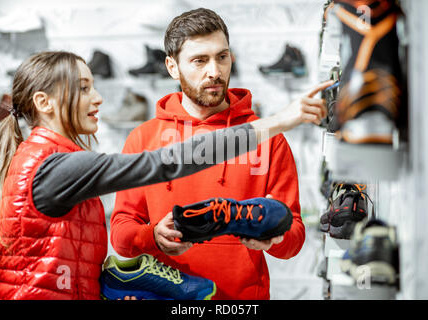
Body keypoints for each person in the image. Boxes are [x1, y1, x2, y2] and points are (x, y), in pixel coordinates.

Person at [0, 50, 330, 300]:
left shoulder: (53, 160)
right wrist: (277, 121)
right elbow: (166, 162)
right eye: (82, 88)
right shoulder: (54, 167)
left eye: (93, 85)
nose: (97, 98)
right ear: (44, 102)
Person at [110, 8, 332, 299]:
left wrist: (271, 239)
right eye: (199, 60)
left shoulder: (267, 139)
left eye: (222, 57)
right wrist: (151, 236)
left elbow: (294, 238)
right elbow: (121, 234)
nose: (214, 71)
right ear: (172, 67)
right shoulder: (143, 138)